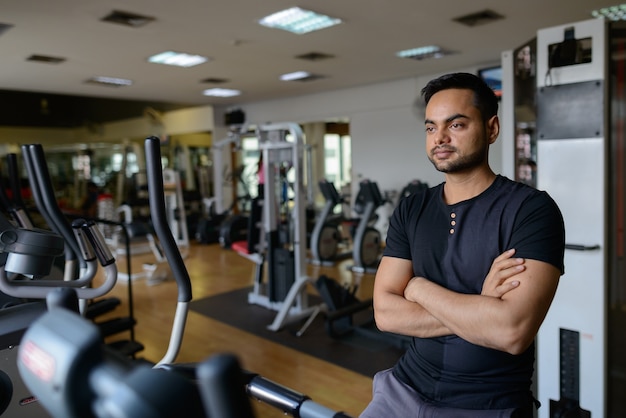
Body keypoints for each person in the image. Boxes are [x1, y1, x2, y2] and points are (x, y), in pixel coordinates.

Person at [359, 73, 565, 418]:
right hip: (402, 389)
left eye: (456, 125)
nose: (439, 137)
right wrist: (481, 307)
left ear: (492, 129)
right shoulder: (412, 208)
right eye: (430, 128)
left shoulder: (531, 210)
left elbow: (511, 330)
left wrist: (417, 287)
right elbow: (384, 313)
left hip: (485, 404)